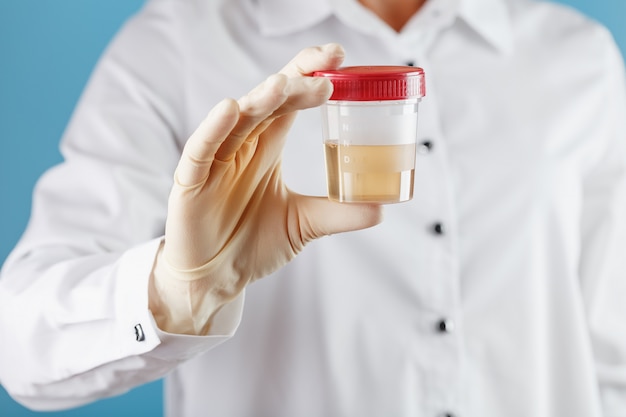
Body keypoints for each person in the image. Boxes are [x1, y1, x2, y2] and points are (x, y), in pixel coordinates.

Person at [1, 0, 625, 415]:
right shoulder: (178, 43)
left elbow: (612, 346)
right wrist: (181, 288)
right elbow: (19, 347)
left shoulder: (576, 55)